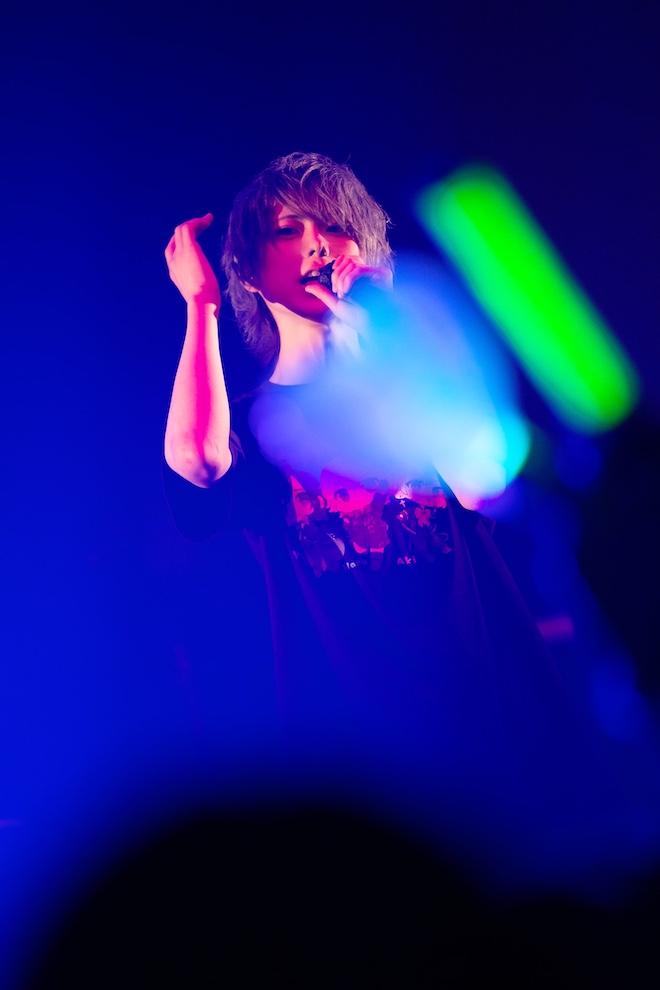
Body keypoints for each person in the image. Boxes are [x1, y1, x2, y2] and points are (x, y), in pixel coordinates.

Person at [162, 153, 626, 888]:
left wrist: (383, 334)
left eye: (334, 227)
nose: (318, 244)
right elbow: (197, 458)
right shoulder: (250, 423)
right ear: (248, 269)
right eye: (288, 230)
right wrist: (200, 306)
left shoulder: (422, 396)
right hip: (337, 758)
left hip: (476, 729)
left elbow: (488, 473)